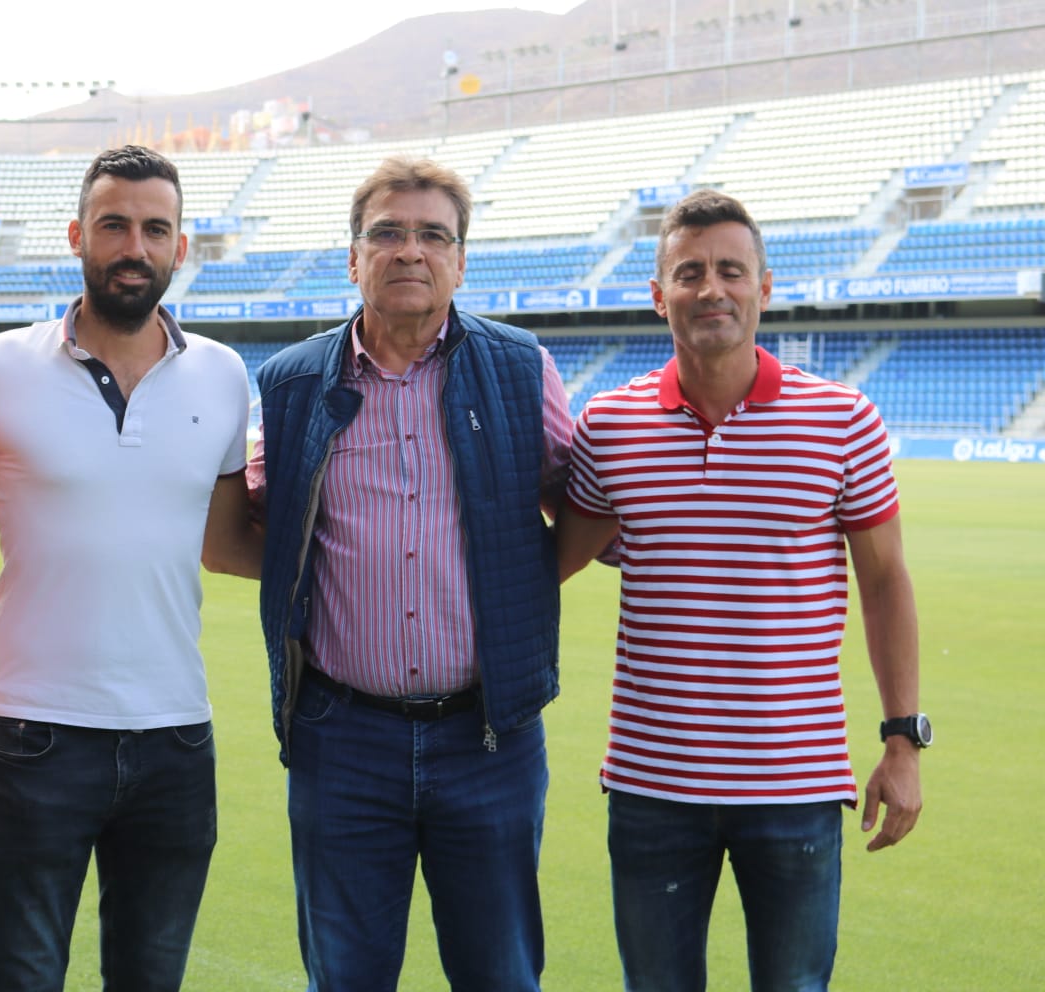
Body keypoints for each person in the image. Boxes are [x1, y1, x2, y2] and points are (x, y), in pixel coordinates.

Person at [556, 188, 926, 992]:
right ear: (659, 296)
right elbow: (555, 559)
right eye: (689, 272)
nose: (710, 288)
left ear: (764, 285)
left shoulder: (842, 419)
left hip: (794, 784)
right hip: (653, 783)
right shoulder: (610, 425)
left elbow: (887, 584)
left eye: (730, 270)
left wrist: (904, 740)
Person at [245, 156, 573, 991]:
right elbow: (255, 523)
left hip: (489, 739)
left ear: (461, 259)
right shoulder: (288, 384)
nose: (409, 251)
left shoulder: (520, 368)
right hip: (341, 740)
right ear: (353, 256)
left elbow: (577, 507)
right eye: (386, 233)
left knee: (500, 974)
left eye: (433, 235)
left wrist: (518, 590)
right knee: (346, 978)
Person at [0, 145, 254, 992]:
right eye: (114, 225)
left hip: (177, 740)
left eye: (156, 229)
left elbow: (225, 544)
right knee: (22, 974)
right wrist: (11, 605)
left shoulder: (224, 377)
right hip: (34, 738)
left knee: (151, 979)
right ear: (78, 235)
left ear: (180, 247)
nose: (134, 247)